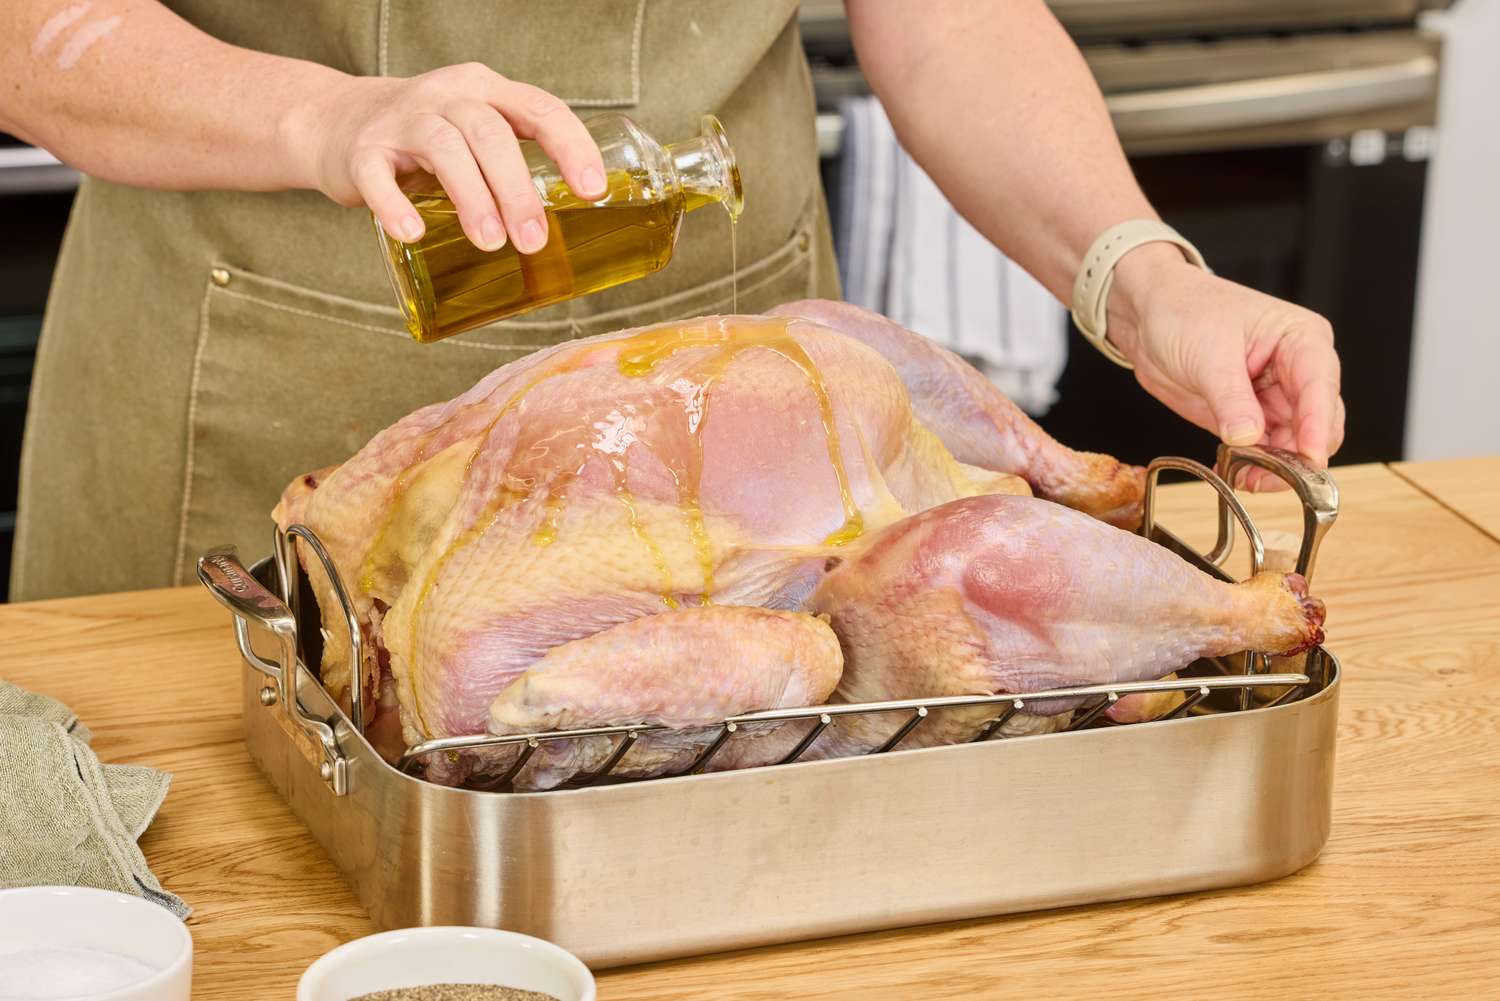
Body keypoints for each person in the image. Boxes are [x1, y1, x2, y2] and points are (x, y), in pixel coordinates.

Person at [0, 0, 1343, 600]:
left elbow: (949, 17)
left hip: (744, 428)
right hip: (268, 378)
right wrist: (323, 118)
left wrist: (1141, 277)